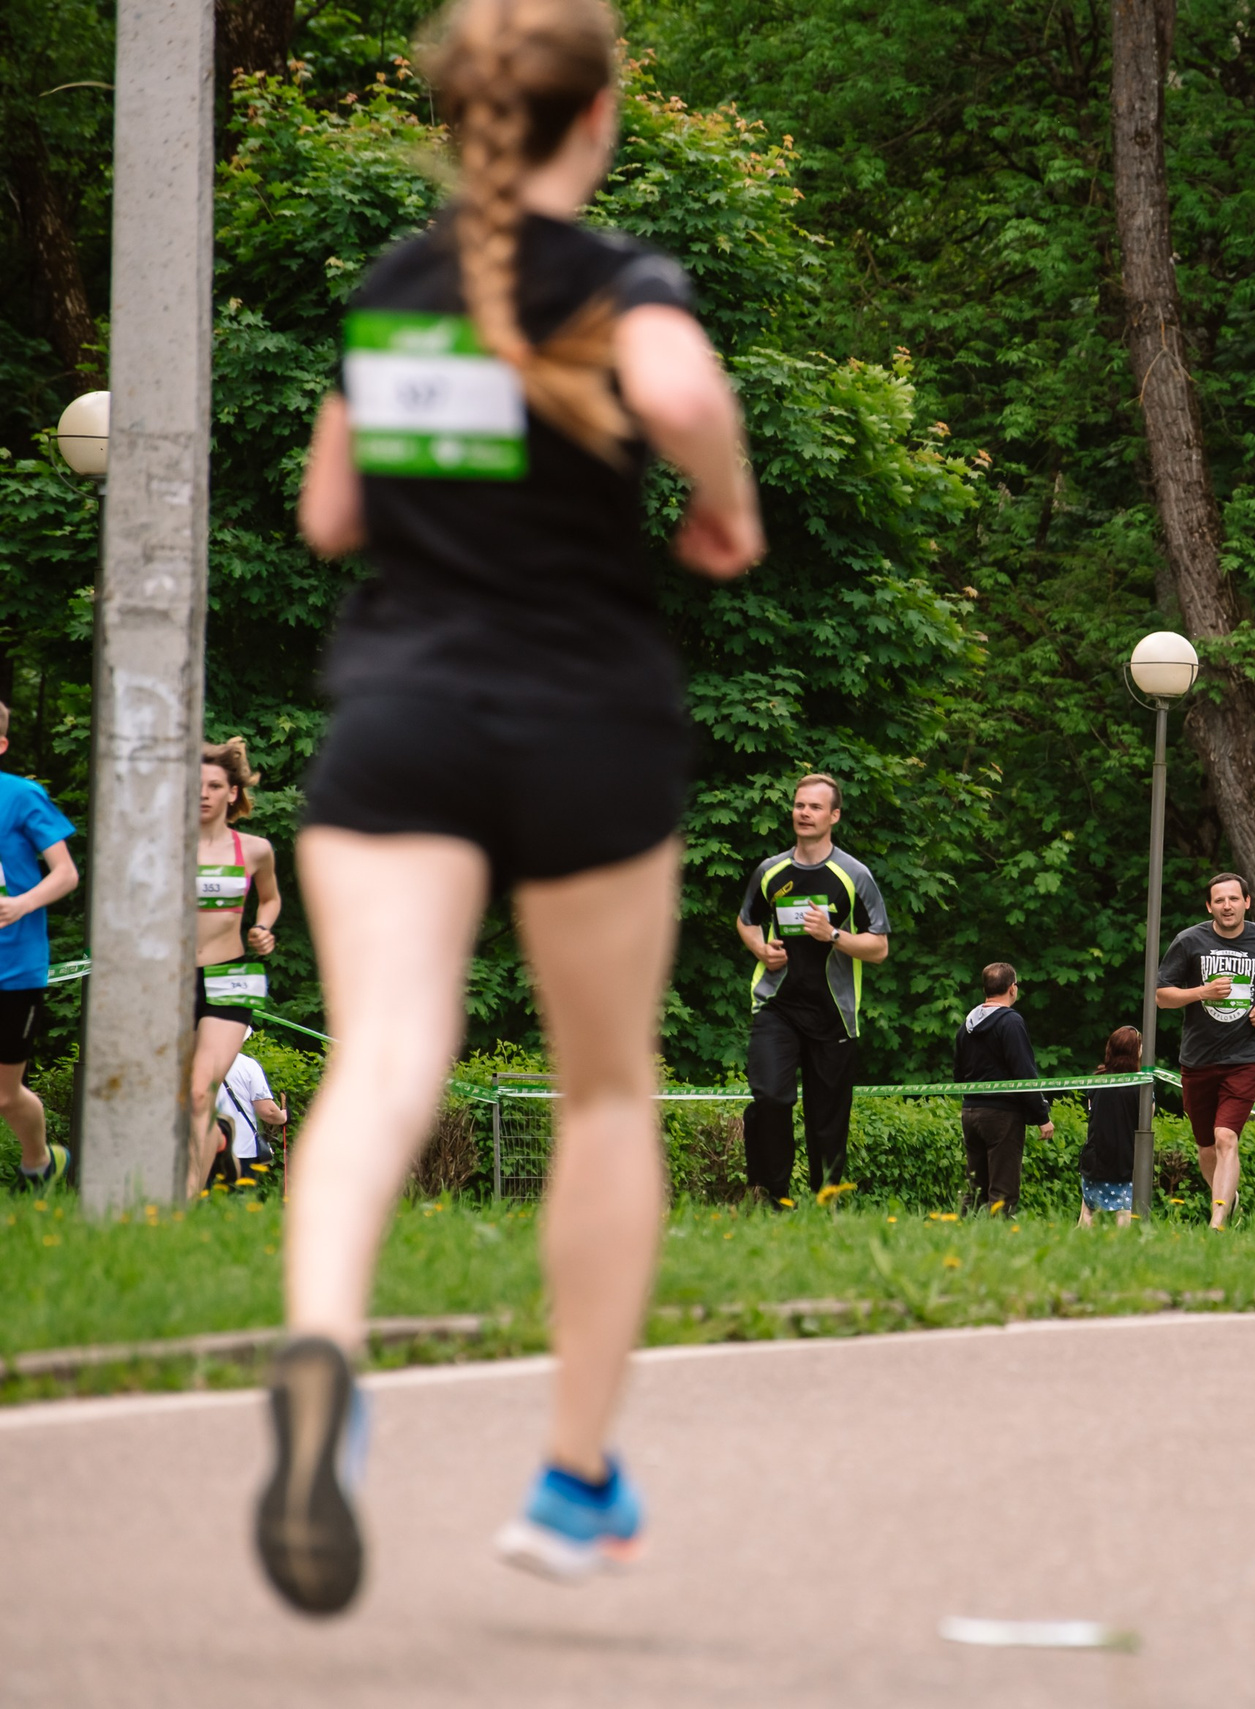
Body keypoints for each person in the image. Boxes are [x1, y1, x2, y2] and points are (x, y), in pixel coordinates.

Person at [268, 0, 763, 1614]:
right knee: (606, 1091)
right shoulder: (618, 283)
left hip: (399, 719)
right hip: (586, 721)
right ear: (597, 115)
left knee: (381, 1059)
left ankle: (326, 1353)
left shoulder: (399, 291)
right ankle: (570, 1476)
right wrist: (722, 514)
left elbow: (330, 510)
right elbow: (685, 392)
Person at [734, 774, 892, 1207]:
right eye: (800, 805)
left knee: (827, 1119)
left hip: (833, 1013)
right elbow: (746, 921)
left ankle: (825, 1200)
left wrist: (833, 936)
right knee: (769, 1095)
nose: (804, 813)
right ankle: (774, 1194)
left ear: (834, 816)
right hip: (776, 1006)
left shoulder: (854, 875)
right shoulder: (770, 870)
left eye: (815, 807)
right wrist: (761, 950)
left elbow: (879, 947)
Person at [1155, 873, 1255, 1230]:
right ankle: (1228, 1198)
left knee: (1226, 1137)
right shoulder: (1189, 941)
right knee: (1206, 1146)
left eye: (1234, 899)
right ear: (1209, 907)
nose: (1227, 906)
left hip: (1243, 1058)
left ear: (1247, 902)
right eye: (1219, 900)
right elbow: (1162, 996)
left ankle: (1217, 1221)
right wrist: (1201, 992)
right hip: (1198, 1058)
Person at [191, 741, 283, 1193]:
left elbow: (270, 898)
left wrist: (263, 928)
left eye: (214, 785)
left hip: (232, 975)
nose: (204, 794)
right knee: (180, 1097)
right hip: (173, 979)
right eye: (197, 786)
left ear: (232, 792)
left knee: (199, 1091)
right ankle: (220, 1137)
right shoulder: (165, 847)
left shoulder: (256, 849)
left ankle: (181, 1208)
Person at [0, 701, 77, 1192]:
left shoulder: (23, 796)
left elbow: (66, 873)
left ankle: (40, 1162)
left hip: (15, 967)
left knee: (5, 1097)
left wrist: (21, 905)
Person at [954, 962, 1053, 1217]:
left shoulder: (966, 1025)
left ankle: (962, 1235)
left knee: (976, 1187)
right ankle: (998, 1244)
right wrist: (1041, 1116)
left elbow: (958, 1073)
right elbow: (1024, 1072)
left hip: (971, 1112)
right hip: (1002, 1115)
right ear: (1012, 988)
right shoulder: (1011, 1022)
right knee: (1003, 1191)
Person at [1080, 1026, 1143, 1228]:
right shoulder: (1140, 1085)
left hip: (1095, 1157)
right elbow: (1146, 1121)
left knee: (1088, 1210)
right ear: (1136, 1051)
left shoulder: (1097, 1080)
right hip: (1124, 1160)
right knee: (1124, 1212)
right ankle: (1120, 1253)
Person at [213, 1047, 289, 1189]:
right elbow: (268, 1111)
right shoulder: (247, 1065)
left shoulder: (194, 1062)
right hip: (241, 1150)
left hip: (203, 1149)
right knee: (238, 1202)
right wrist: (283, 1117)